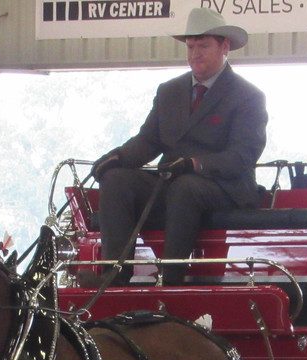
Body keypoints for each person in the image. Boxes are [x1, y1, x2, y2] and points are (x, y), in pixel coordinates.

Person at [88, 7, 268, 286]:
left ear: (225, 47)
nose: (195, 53)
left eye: (203, 45)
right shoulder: (169, 91)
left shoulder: (247, 96)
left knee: (186, 186)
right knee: (116, 180)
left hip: (224, 187)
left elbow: (243, 155)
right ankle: (114, 276)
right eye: (191, 46)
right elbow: (149, 141)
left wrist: (195, 165)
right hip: (172, 182)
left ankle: (172, 281)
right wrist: (117, 157)